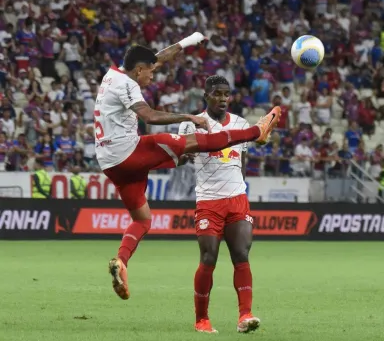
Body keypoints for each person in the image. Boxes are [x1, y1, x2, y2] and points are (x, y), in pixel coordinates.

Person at [96, 40, 281, 301]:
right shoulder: (126, 84)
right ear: (138, 70)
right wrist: (189, 117)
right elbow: (148, 116)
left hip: (111, 164)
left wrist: (189, 40)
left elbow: (157, 58)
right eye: (150, 71)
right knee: (197, 139)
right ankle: (256, 131)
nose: (153, 75)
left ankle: (122, 262)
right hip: (127, 151)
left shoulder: (113, 75)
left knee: (143, 220)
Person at [177, 75, 261, 334]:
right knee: (208, 257)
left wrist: (240, 188)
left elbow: (242, 161)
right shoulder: (192, 125)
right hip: (209, 201)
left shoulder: (240, 123)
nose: (223, 98)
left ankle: (245, 316)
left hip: (237, 199)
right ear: (206, 96)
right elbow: (178, 158)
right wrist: (183, 155)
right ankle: (201, 319)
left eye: (226, 94)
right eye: (217, 93)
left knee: (241, 254)